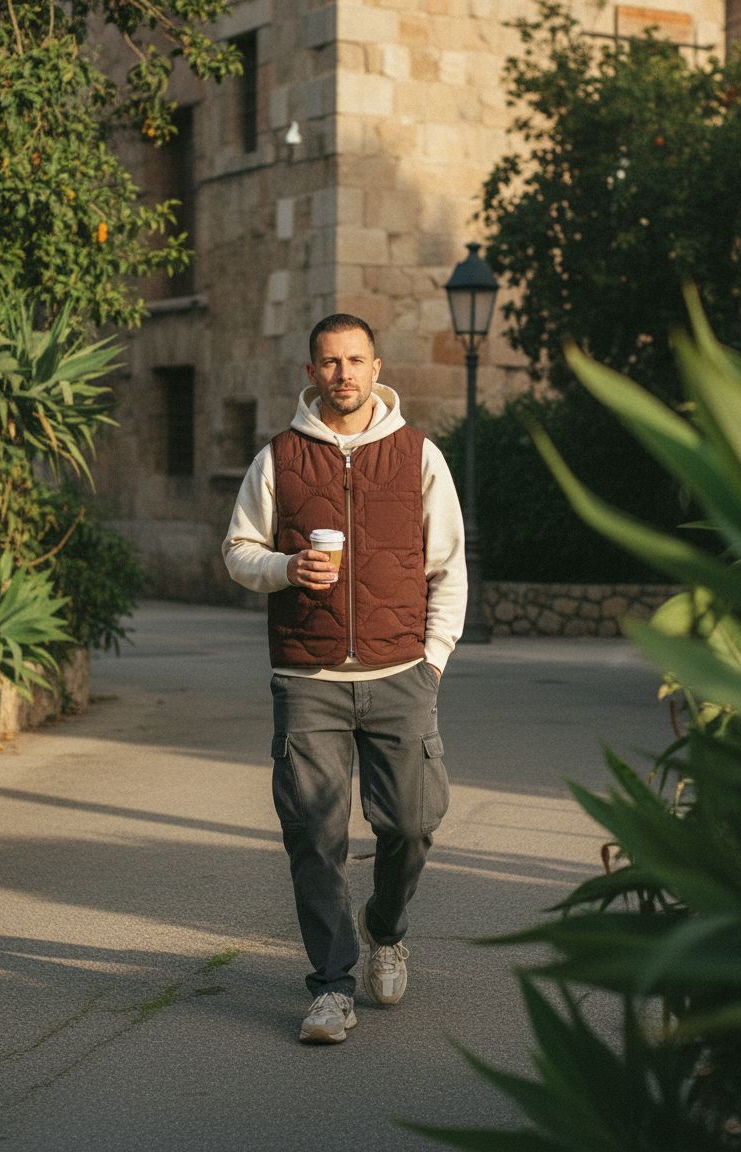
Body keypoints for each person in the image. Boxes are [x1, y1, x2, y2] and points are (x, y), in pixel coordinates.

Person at [222, 313, 467, 1044]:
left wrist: (434, 662)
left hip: (402, 675)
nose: (344, 375)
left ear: (376, 365)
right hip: (307, 678)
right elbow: (237, 551)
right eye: (329, 363)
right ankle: (331, 986)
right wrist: (287, 567)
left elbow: (448, 566)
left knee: (413, 824)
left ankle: (385, 929)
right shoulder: (280, 458)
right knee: (314, 835)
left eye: (355, 360)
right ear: (311, 373)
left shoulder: (418, 455)